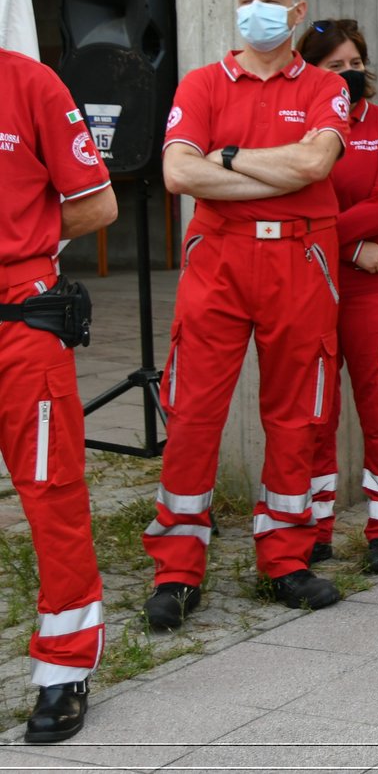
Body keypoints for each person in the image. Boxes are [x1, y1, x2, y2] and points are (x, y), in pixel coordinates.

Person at [142, 0, 351, 628]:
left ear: (298, 10)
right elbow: (178, 171)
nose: (255, 11)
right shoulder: (203, 82)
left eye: (269, 0)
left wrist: (226, 160)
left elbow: (316, 165)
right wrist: (275, 170)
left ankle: (285, 558)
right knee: (194, 409)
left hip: (301, 260)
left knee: (296, 413)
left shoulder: (324, 85)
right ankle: (177, 568)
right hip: (219, 261)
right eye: (245, 0)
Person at [0, 48, 117, 742]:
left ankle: (63, 669)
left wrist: (28, 239)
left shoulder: (28, 81)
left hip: (21, 325)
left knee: (53, 496)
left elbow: (97, 203)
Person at [296, 18, 378, 574]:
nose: (349, 73)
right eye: (334, 65)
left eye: (355, 63)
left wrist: (336, 239)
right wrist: (350, 249)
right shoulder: (297, 125)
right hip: (315, 281)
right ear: (309, 71)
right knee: (313, 413)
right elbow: (292, 201)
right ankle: (313, 529)